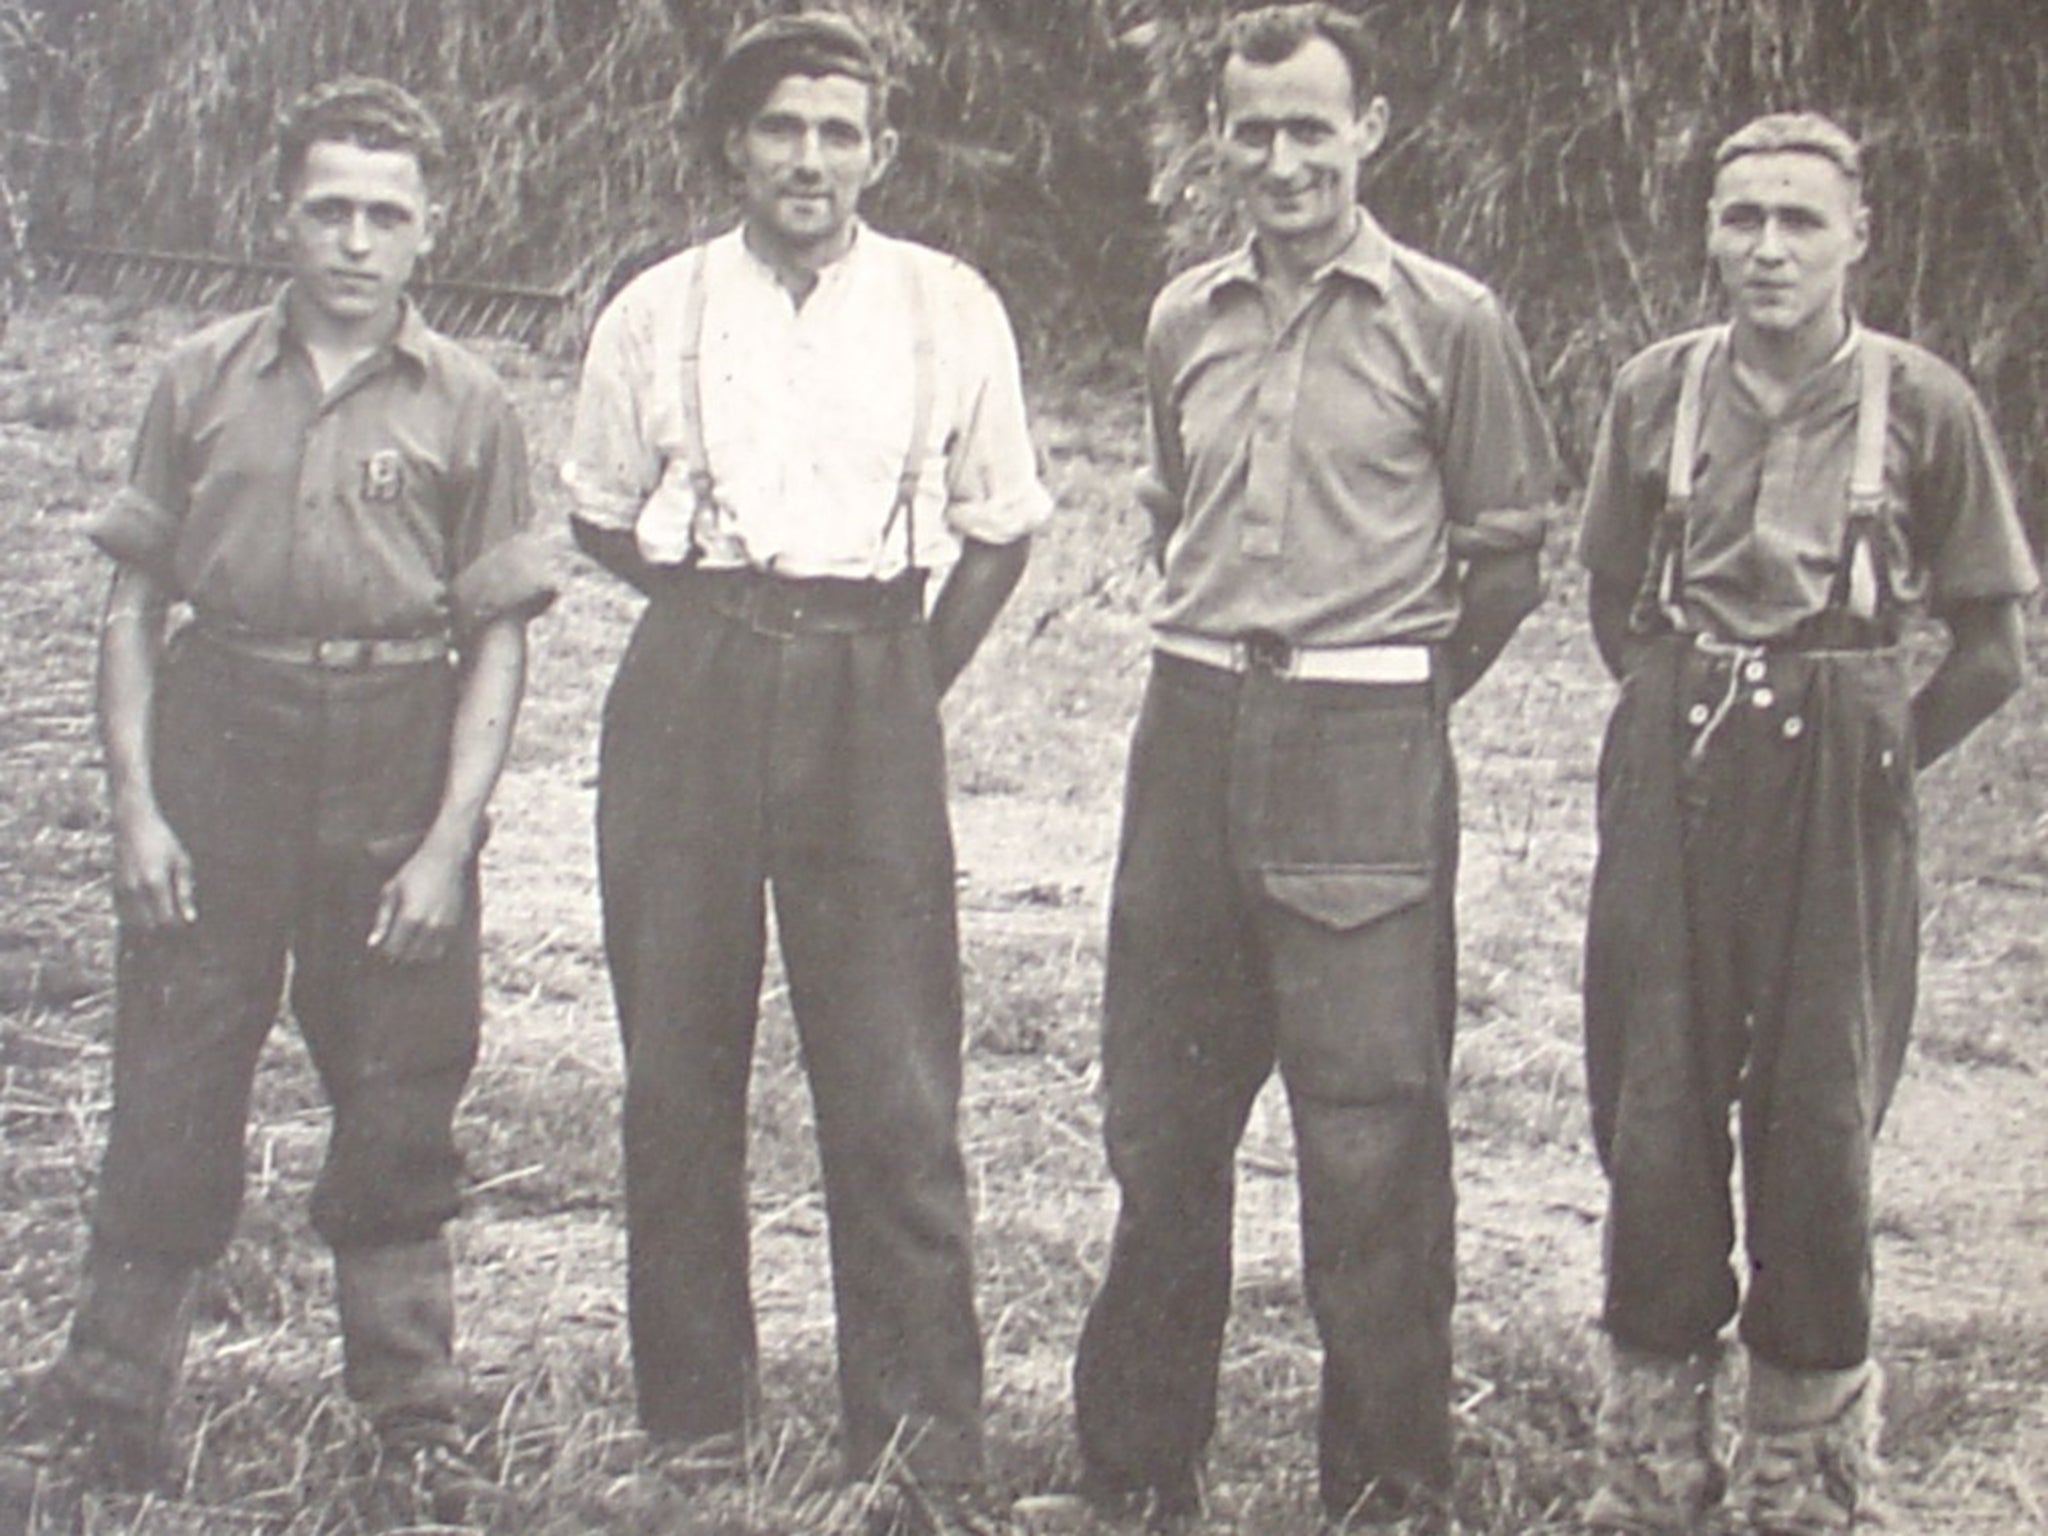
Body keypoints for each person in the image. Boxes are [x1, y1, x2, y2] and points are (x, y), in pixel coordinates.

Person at [10, 77, 554, 1521]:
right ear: (281, 215)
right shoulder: (195, 378)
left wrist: (449, 840)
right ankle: (110, 1395)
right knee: (178, 1067)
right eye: (329, 209)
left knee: (397, 1083)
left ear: (429, 231)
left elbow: (496, 631)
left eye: (386, 214)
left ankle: (413, 1409)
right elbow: (135, 605)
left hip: (392, 742)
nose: (355, 242)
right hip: (224, 733)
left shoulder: (472, 401)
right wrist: (135, 804)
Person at [1068, 6, 1559, 1528]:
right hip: (1192, 732)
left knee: (1372, 1146)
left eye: (1311, 127)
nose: (1282, 159)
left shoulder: (1449, 319)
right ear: (1219, 137)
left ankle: (1392, 1491)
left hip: (1365, 746)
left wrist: (1386, 700)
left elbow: (1505, 563)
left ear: (1372, 131)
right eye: (1253, 129)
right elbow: (1179, 518)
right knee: (1163, 1131)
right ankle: (1141, 1479)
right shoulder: (1181, 318)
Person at [561, 10, 1050, 1517]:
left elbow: (1003, 522)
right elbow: (596, 510)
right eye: (782, 128)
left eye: (841, 132)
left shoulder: (945, 306)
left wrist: (892, 680)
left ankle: (916, 1450)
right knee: (678, 1069)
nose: (811, 160)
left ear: (880, 153)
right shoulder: (657, 310)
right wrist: (725, 626)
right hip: (696, 676)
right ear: (732, 144)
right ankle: (694, 1432)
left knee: (894, 1083)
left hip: (870, 679)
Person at [1577, 111, 2036, 1535]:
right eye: (1741, 219)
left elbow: (1991, 643)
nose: (1767, 249)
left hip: (1842, 785)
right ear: (1709, 233)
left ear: (1857, 238)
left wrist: (1880, 754)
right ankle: (1651, 1460)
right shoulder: (1658, 392)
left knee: (1819, 1121)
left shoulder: (1924, 405)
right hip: (1677, 761)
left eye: (1799, 220)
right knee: (1653, 1108)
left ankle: (1806, 1471)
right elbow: (1607, 598)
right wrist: (1688, 721)